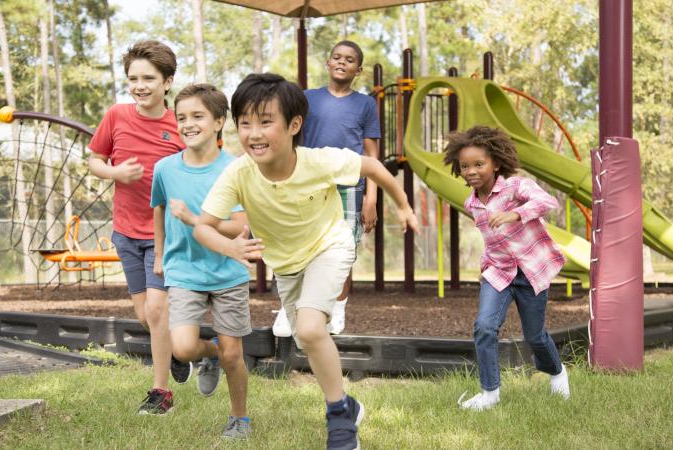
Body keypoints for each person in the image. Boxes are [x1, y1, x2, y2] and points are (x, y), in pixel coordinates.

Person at [194, 73, 418, 450]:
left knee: (313, 329)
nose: (253, 133)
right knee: (305, 339)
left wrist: (404, 206)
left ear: (294, 125)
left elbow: (375, 168)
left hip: (330, 246)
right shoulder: (239, 173)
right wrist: (229, 247)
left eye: (266, 121)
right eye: (245, 123)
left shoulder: (319, 161)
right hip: (287, 264)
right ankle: (348, 404)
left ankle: (340, 424)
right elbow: (204, 227)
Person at [88, 40, 191, 415]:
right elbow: (95, 159)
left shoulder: (182, 124)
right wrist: (115, 172)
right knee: (144, 315)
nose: (139, 85)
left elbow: (203, 166)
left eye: (149, 78)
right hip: (126, 230)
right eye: (133, 78)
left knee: (157, 310)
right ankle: (179, 354)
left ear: (168, 82)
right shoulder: (116, 115)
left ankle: (160, 392)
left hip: (167, 234)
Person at [442, 126, 571, 411]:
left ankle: (558, 372)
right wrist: (485, 266)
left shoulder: (515, 186)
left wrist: (516, 213)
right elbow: (490, 240)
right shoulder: (472, 204)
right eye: (465, 166)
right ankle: (490, 393)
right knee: (485, 327)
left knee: (535, 336)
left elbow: (547, 202)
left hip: (530, 271)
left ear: (495, 163)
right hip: (498, 272)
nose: (471, 170)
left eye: (479, 164)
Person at [150, 83, 252, 439]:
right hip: (184, 271)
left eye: (197, 116)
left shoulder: (236, 168)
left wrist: (196, 220)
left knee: (234, 355)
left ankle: (240, 419)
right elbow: (159, 210)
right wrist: (160, 254)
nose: (187, 124)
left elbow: (240, 226)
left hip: (228, 272)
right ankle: (208, 356)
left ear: (219, 122)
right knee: (182, 347)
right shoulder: (164, 168)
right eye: (181, 117)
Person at [272, 40, 381, 337]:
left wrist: (371, 197)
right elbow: (289, 137)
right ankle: (289, 307)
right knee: (298, 246)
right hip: (308, 185)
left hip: (348, 187)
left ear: (358, 70)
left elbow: (371, 155)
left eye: (349, 59)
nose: (342, 62)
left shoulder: (366, 104)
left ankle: (337, 310)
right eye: (337, 57)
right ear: (328, 63)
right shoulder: (307, 99)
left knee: (342, 251)